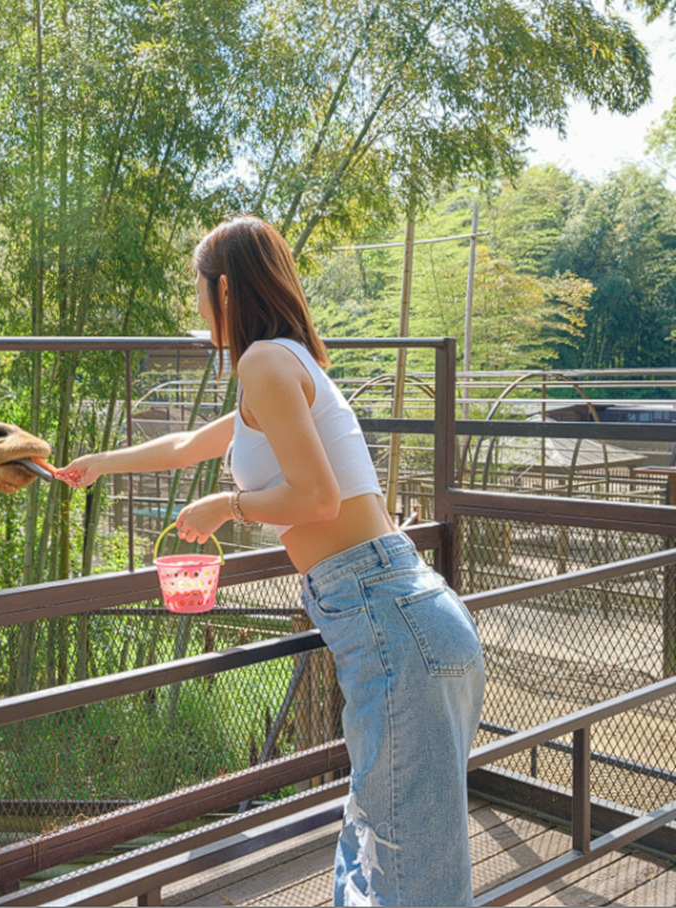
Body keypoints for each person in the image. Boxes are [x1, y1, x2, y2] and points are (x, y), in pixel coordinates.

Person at [59, 215, 486, 907]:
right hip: (398, 614)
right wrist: (97, 465)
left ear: (224, 288)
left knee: (410, 880)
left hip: (389, 621)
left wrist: (224, 507)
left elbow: (316, 498)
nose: (196, 309)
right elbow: (183, 446)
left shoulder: (264, 363)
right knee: (375, 852)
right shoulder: (286, 364)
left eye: (197, 289)